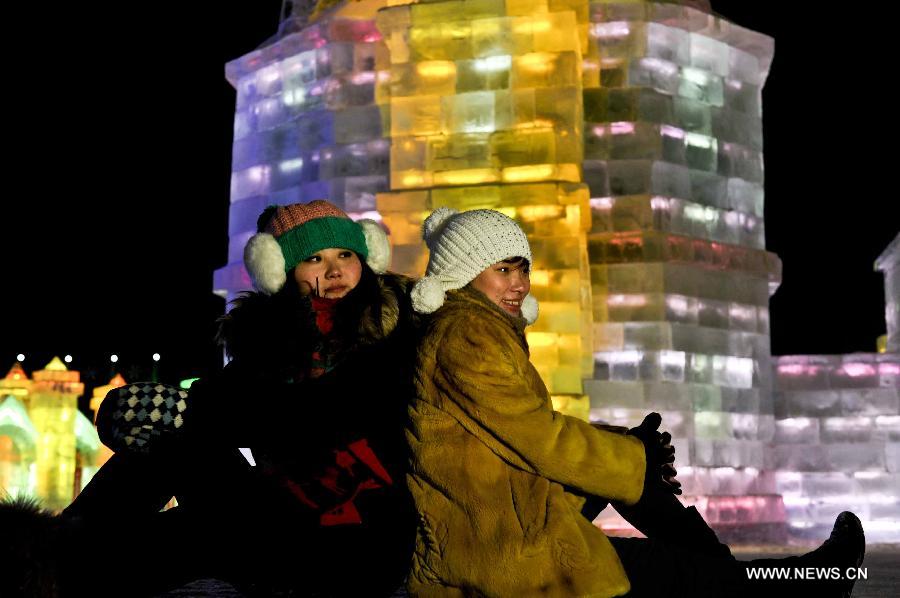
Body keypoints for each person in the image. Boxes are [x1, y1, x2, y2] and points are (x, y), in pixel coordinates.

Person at [404, 206, 866, 598]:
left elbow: (526, 430)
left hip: (510, 509)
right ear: (463, 274)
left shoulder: (474, 325)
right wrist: (635, 456)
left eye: (522, 268)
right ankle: (798, 581)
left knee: (639, 465)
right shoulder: (467, 335)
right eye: (502, 270)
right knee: (677, 568)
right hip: (498, 548)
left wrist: (631, 445)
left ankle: (736, 571)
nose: (520, 284)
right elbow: (540, 439)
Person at [4, 200, 419, 597]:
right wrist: (148, 409)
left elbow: (326, 412)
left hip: (358, 544)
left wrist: (193, 410)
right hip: (278, 519)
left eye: (345, 254)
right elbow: (218, 399)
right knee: (172, 446)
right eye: (313, 259)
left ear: (366, 257)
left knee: (195, 529)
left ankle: (49, 562)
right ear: (281, 271)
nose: (333, 270)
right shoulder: (271, 344)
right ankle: (51, 548)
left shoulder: (398, 331)